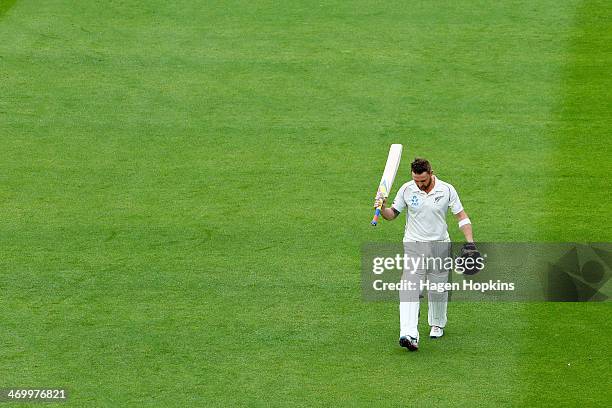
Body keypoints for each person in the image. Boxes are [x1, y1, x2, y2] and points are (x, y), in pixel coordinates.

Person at [373, 158, 474, 351]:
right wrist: (381, 207)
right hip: (414, 245)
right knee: (409, 288)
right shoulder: (406, 189)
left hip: (439, 245)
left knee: (437, 289)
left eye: (423, 181)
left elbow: (461, 217)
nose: (419, 185)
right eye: (416, 180)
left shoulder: (447, 190)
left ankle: (437, 323)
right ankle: (409, 334)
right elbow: (392, 214)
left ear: (431, 173)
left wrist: (470, 242)